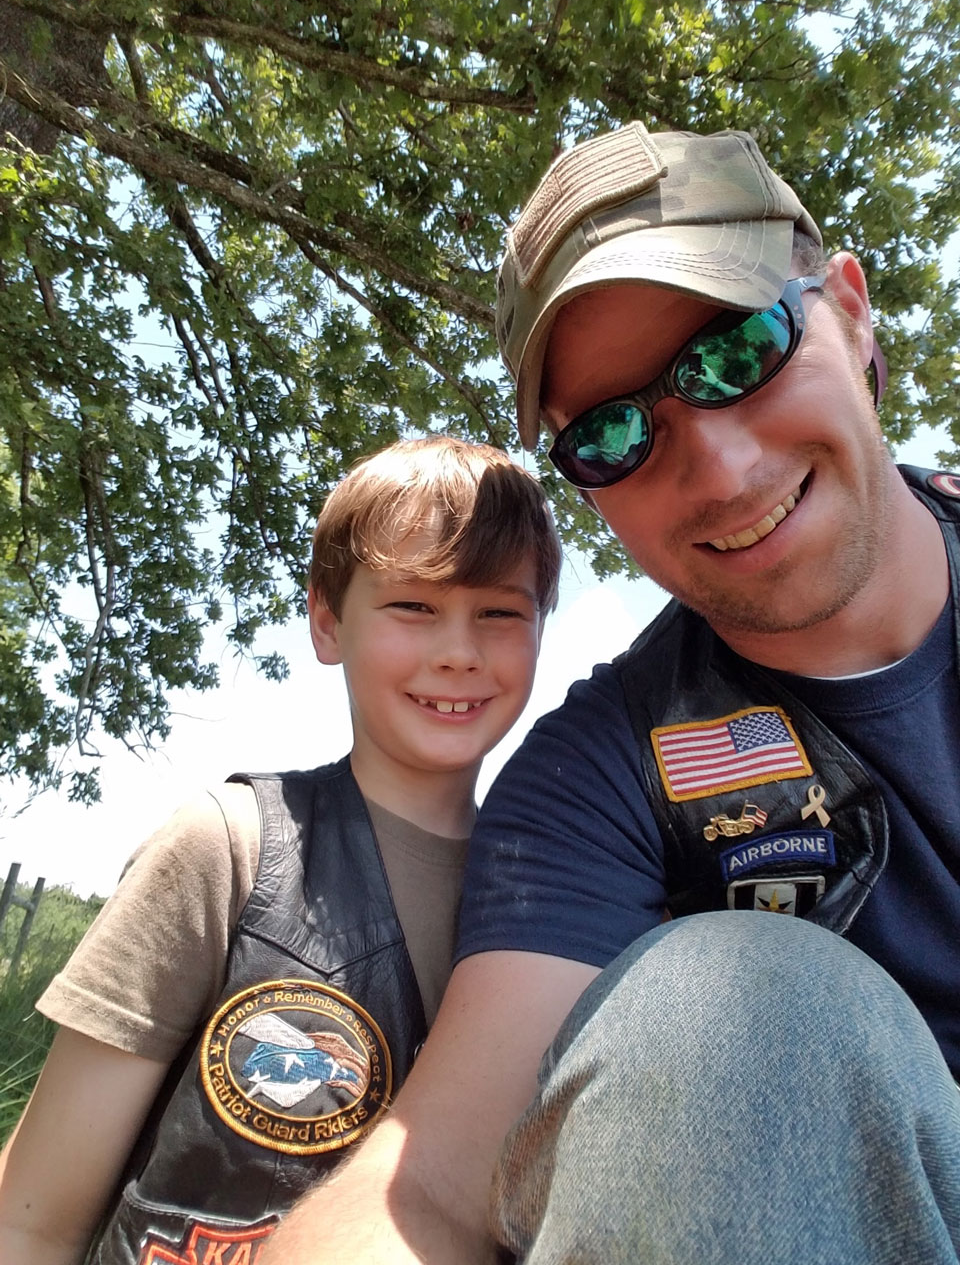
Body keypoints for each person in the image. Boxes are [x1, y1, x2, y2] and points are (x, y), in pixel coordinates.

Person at [262, 121, 960, 1265]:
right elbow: (427, 1187)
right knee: (735, 1006)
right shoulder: (600, 774)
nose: (721, 467)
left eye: (739, 350)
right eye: (614, 433)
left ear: (849, 306)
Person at [0, 435, 561, 1265]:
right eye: (413, 605)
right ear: (329, 623)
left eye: (500, 612)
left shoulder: (566, 897)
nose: (458, 650)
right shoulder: (226, 846)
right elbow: (32, 1218)